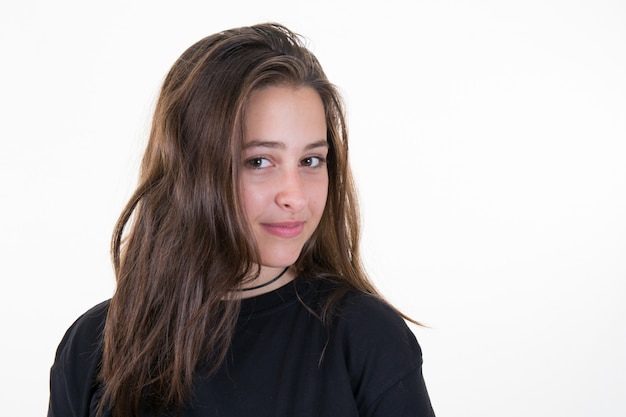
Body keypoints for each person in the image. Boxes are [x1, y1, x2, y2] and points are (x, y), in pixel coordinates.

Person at [47, 23, 436, 417]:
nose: (295, 196)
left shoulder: (366, 338)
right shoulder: (95, 345)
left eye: (311, 160)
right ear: (192, 171)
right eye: (259, 161)